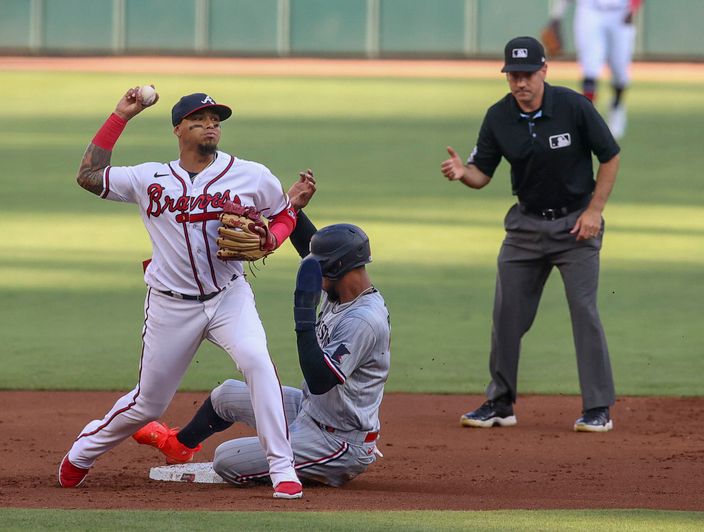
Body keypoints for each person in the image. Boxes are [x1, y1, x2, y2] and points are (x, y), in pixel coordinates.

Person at [57, 86, 317, 500]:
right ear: (179, 129)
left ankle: (282, 467)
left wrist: (283, 225)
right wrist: (120, 115)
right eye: (199, 119)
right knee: (148, 405)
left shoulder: (251, 174)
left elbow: (280, 217)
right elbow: (88, 176)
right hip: (169, 305)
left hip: (228, 296)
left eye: (215, 119)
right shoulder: (148, 177)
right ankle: (81, 453)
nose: (210, 124)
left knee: (257, 361)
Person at [440, 36, 620, 433]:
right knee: (506, 314)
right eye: (513, 76)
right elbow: (481, 174)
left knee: (584, 312)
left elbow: (610, 155)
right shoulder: (498, 116)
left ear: (544, 71)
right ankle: (500, 402)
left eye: (527, 75)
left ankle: (598, 408)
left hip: (576, 226)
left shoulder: (573, 107)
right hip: (524, 227)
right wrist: (462, 172)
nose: (520, 83)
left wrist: (594, 211)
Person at [132, 216, 391, 489]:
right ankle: (179, 445)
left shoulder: (363, 320)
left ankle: (310, 468)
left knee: (227, 460)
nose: (314, 274)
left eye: (320, 267)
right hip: (312, 412)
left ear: (338, 268)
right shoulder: (342, 288)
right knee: (226, 395)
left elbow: (320, 380)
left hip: (339, 440)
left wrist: (303, 315)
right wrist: (292, 210)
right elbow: (311, 248)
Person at [548, 0, 642, 138]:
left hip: (620, 12)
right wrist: (556, 17)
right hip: (589, 11)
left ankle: (617, 105)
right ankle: (588, 118)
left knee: (620, 72)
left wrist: (632, 9)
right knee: (589, 70)